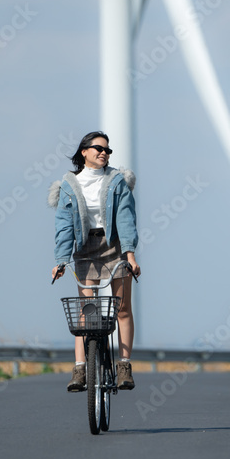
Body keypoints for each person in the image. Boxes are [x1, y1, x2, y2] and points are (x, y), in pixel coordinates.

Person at [49, 131, 141, 392]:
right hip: (85, 249)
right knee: (86, 313)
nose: (104, 153)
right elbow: (64, 225)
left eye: (108, 150)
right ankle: (80, 368)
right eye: (98, 148)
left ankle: (124, 366)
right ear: (84, 152)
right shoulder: (69, 185)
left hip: (114, 246)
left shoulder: (116, 181)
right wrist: (61, 261)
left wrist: (130, 255)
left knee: (122, 308)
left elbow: (125, 218)